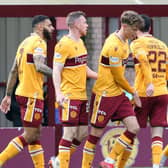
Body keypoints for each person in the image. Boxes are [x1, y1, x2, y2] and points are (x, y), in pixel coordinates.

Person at [81, 10, 143, 168]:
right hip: (104, 95)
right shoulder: (114, 45)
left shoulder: (125, 42)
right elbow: (118, 77)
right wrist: (133, 93)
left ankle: (109, 160)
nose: (136, 33)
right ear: (124, 26)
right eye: (134, 29)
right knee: (95, 135)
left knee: (134, 127)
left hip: (118, 94)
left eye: (137, 29)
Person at [0, 15, 54, 168]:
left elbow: (13, 71)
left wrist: (8, 95)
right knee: (30, 135)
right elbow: (39, 66)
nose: (52, 29)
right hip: (32, 95)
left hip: (24, 93)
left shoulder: (24, 43)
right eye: (49, 25)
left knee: (35, 134)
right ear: (39, 27)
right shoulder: (39, 43)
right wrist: (59, 74)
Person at [50, 11, 97, 168]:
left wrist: (101, 77)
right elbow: (56, 69)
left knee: (82, 133)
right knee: (68, 134)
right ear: (76, 25)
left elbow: (83, 68)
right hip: (69, 96)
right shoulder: (63, 45)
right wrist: (59, 93)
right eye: (84, 22)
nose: (87, 25)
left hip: (82, 96)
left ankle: (56, 163)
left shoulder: (81, 43)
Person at [130, 14, 168, 168]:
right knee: (157, 133)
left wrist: (149, 83)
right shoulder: (163, 45)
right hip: (162, 91)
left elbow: (143, 61)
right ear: (150, 28)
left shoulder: (136, 43)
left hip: (144, 92)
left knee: (130, 131)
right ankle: (156, 165)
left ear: (136, 28)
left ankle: (113, 162)